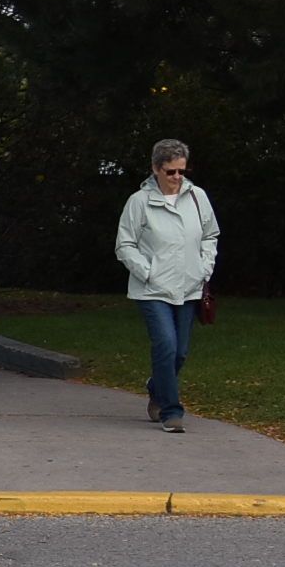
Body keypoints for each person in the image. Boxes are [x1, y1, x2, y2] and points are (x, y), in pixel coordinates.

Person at [115, 138, 217, 433]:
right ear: (156, 169)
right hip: (152, 289)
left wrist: (204, 266)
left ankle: (156, 385)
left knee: (180, 352)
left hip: (188, 286)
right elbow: (125, 244)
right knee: (166, 345)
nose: (176, 178)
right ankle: (171, 411)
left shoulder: (197, 196)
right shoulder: (139, 202)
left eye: (181, 171)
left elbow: (210, 235)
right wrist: (146, 272)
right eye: (170, 171)